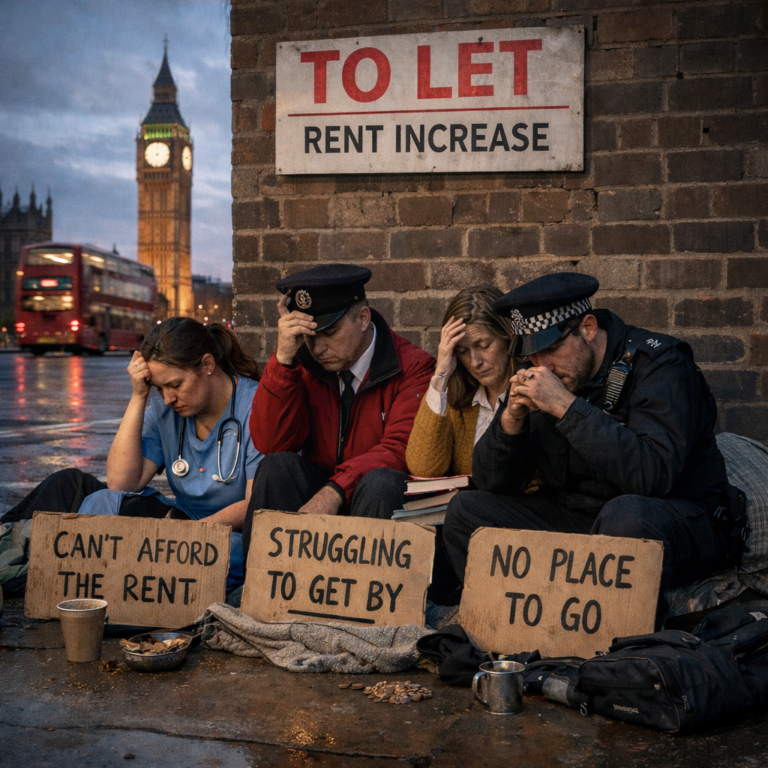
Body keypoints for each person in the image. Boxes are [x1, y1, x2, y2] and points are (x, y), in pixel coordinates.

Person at [440, 272, 731, 623]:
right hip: (579, 521)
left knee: (626, 517)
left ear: (589, 328)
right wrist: (510, 423)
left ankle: (617, 651)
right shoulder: (538, 369)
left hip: (670, 522)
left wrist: (565, 406)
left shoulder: (661, 366)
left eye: (551, 348)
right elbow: (492, 483)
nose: (542, 365)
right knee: (466, 511)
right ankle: (508, 633)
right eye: (533, 354)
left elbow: (653, 476)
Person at [1, 318, 262, 589]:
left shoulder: (255, 408)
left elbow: (255, 503)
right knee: (91, 495)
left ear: (207, 365)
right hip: (179, 525)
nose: (168, 398)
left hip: (228, 535)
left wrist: (186, 536)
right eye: (160, 388)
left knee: (223, 556)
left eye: (175, 384)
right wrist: (139, 396)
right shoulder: (164, 410)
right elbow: (121, 484)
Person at [242, 264, 434, 564]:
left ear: (362, 317)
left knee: (381, 483)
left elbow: (400, 448)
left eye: (329, 332)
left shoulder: (413, 367)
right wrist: (284, 360)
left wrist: (336, 490)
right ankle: (266, 591)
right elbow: (270, 443)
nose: (318, 348)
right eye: (309, 336)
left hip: (377, 502)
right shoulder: (304, 365)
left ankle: (372, 604)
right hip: (322, 488)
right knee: (276, 467)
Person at [406, 285, 515, 477]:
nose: (475, 362)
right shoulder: (460, 399)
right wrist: (441, 375)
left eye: (483, 345)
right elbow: (424, 468)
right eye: (463, 351)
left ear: (508, 337)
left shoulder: (529, 392)